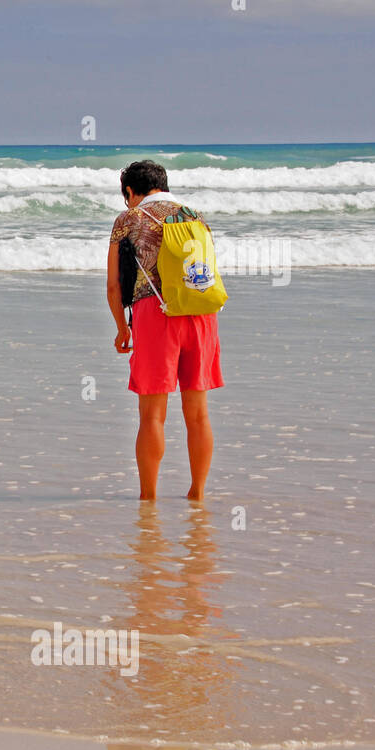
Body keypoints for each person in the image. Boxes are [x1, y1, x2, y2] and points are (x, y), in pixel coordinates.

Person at [106, 160, 224, 501]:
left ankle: (148, 498)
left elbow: (114, 287)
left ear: (130, 191)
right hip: (201, 315)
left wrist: (121, 329)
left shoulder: (128, 219)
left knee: (152, 416)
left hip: (155, 316)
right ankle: (197, 494)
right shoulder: (194, 215)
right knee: (198, 414)